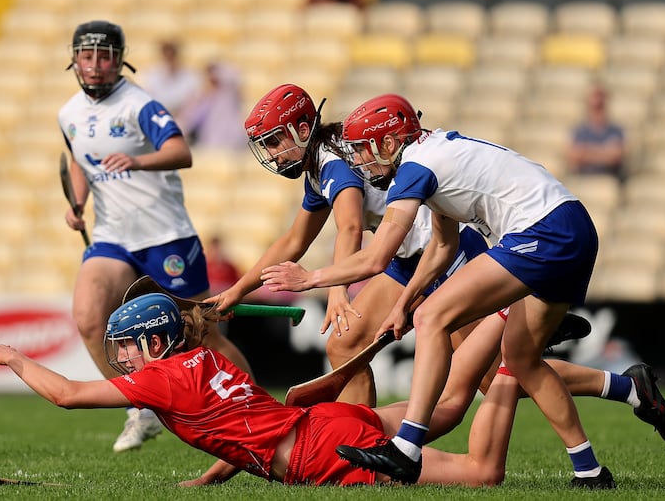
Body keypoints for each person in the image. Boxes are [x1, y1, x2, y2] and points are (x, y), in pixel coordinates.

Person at [260, 93, 621, 488]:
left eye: (364, 149)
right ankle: (591, 470)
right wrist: (402, 302)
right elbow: (442, 245)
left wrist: (310, 279)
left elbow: (375, 259)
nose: (359, 161)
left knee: (433, 319)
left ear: (389, 142)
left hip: (544, 232)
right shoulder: (429, 154)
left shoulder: (414, 171)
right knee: (520, 360)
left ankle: (406, 448)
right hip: (568, 225)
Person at [0, 293, 665, 488]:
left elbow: (63, 396)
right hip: (323, 422)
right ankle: (516, 344)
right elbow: (241, 426)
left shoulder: (159, 378)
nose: (120, 357)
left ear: (154, 341)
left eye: (126, 344)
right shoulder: (203, 366)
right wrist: (211, 476)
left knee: (484, 473)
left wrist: (11, 357)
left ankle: (509, 340)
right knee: (448, 406)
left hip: (323, 448)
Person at [205, 84, 491, 407]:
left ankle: (557, 382)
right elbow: (294, 241)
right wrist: (237, 290)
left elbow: (351, 226)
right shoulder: (318, 166)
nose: (271, 154)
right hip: (408, 261)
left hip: (446, 253)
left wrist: (338, 290)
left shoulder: (332, 162)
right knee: (345, 345)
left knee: (492, 377)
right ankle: (364, 445)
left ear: (302, 130)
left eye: (274, 142)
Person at [57, 20, 254, 453]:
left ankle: (256, 412)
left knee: (203, 333)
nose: (94, 65)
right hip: (112, 235)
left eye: (104, 56)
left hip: (165, 235)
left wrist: (135, 161)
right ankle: (141, 408)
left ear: (118, 59)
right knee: (90, 318)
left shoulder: (139, 104)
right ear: (74, 60)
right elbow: (78, 160)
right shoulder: (68, 113)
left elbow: (181, 152)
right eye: (87, 56)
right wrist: (77, 204)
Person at [177, 61, 248, 150]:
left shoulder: (228, 97)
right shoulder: (203, 98)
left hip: (228, 141)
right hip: (208, 141)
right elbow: (189, 119)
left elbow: (234, 77)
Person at [566, 85, 626, 181]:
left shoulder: (616, 130)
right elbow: (574, 155)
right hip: (583, 179)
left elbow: (615, 157)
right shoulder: (580, 130)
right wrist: (604, 152)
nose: (597, 103)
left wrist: (586, 152)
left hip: (608, 179)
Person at [141, 40, 201, 120]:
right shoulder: (152, 74)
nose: (169, 58)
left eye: (172, 55)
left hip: (184, 117)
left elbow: (194, 100)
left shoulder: (190, 75)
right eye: (167, 55)